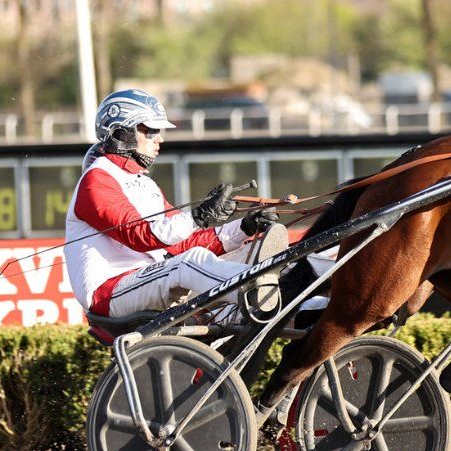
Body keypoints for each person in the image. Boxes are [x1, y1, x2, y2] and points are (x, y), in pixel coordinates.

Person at [65, 89, 287, 322]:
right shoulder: (96, 180)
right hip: (109, 294)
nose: (160, 138)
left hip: (145, 281)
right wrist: (198, 216)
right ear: (122, 133)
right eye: (151, 131)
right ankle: (256, 290)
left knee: (247, 253)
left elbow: (182, 242)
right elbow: (140, 235)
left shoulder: (144, 184)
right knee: (189, 263)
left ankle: (304, 306)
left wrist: (245, 227)